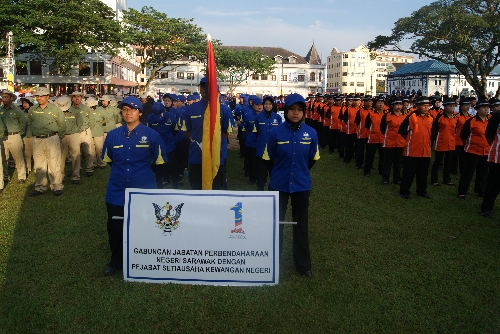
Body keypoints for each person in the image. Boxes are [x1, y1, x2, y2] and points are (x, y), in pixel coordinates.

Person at [101, 96, 168, 277]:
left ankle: (143, 258)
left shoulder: (152, 135)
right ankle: (116, 261)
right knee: (115, 227)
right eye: (124, 110)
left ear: (140, 112)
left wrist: (141, 174)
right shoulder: (113, 135)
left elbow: (159, 162)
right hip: (117, 190)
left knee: (144, 225)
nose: (128, 112)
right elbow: (108, 159)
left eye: (132, 109)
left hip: (143, 190)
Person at [263, 93, 320, 278]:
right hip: (278, 184)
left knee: (301, 225)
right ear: (286, 111)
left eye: (299, 109)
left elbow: (313, 158)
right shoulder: (275, 133)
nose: (296, 113)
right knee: (275, 224)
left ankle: (303, 265)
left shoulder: (311, 133)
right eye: (292, 109)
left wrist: (300, 172)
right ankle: (272, 261)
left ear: (304, 112)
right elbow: (268, 159)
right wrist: (280, 174)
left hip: (302, 185)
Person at [184, 77, 230, 190]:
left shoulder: (223, 110)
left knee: (217, 189)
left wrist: (214, 144)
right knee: (197, 188)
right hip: (197, 156)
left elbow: (226, 132)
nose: (205, 89)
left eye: (208, 86)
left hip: (216, 156)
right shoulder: (190, 109)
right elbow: (187, 130)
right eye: (203, 86)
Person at [27, 87, 66, 196]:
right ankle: (40, 187)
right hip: (38, 139)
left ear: (47, 97)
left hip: (51, 138)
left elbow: (62, 124)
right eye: (37, 96)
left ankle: (56, 186)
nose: (38, 98)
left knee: (54, 163)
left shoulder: (55, 110)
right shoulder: (33, 109)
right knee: (39, 164)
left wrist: (59, 137)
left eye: (41, 96)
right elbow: (29, 123)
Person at [398, 96, 434, 199]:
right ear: (417, 106)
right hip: (412, 151)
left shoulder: (430, 118)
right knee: (408, 173)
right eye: (423, 105)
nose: (426, 107)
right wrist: (412, 140)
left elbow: (433, 134)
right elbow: (402, 131)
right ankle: (404, 190)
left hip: (425, 151)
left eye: (427, 105)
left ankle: (421, 191)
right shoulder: (411, 117)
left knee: (423, 173)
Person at [457, 97, 490, 200]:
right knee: (468, 173)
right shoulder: (471, 121)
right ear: (477, 109)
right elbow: (463, 136)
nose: (486, 109)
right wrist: (468, 145)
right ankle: (462, 192)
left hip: (485, 152)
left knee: (483, 173)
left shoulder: (490, 121)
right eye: (483, 107)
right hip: (472, 151)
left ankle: (480, 190)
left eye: (487, 107)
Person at [255, 96, 282, 191]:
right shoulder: (258, 117)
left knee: (273, 172)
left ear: (272, 105)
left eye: (270, 104)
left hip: (273, 150)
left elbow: (280, 133)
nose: (268, 106)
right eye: (266, 104)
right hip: (261, 149)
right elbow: (256, 132)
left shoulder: (277, 118)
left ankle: (273, 191)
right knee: (261, 172)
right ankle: (260, 190)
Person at [0, 90, 27, 183]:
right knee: (3, 158)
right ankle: (5, 176)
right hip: (3, 137)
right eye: (2, 97)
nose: (4, 99)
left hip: (14, 135)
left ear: (11, 98)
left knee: (18, 157)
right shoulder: (0, 110)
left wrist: (20, 134)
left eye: (6, 97)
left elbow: (23, 123)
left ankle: (21, 177)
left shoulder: (17, 111)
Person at [430, 96, 458, 186]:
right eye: (449, 106)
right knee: (438, 162)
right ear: (445, 107)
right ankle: (434, 180)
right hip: (441, 142)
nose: (452, 108)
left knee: (448, 162)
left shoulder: (455, 117)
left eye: (453, 106)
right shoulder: (440, 117)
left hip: (451, 142)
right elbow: (435, 129)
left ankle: (447, 179)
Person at [481, 98, 500, 217]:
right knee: (494, 184)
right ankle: (486, 207)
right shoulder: (497, 116)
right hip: (497, 156)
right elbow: (489, 135)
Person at [380, 96, 405, 185]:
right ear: (392, 105)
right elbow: (382, 128)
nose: (398, 106)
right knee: (387, 162)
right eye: (397, 104)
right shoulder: (387, 116)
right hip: (389, 142)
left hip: (401, 143)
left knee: (398, 162)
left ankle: (397, 178)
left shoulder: (405, 116)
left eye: (400, 104)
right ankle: (385, 178)